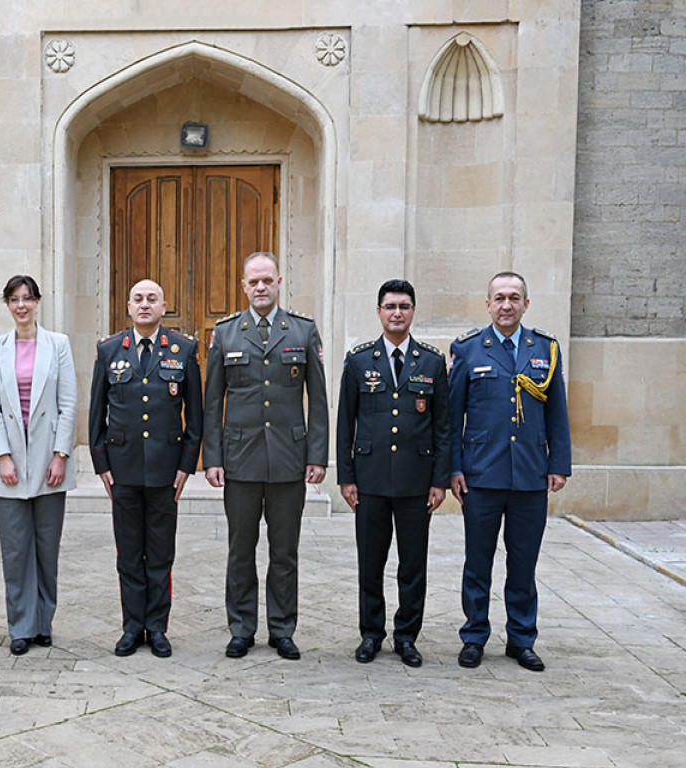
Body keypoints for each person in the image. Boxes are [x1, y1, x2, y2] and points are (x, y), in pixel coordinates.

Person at [203, 251, 328, 660]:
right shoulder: (226, 334)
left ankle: (282, 629)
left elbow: (318, 399)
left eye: (267, 280)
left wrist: (317, 455)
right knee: (240, 550)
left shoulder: (303, 331)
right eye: (253, 281)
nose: (260, 287)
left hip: (289, 459)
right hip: (240, 459)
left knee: (284, 551)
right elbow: (212, 402)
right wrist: (212, 458)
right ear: (243, 286)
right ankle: (241, 628)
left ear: (279, 283)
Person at [450, 271, 570, 672]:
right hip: (481, 475)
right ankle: (474, 636)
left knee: (523, 563)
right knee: (478, 562)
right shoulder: (468, 349)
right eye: (499, 298)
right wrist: (454, 468)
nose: (506, 305)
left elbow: (557, 412)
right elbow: (452, 417)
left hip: (530, 476)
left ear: (525, 304)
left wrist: (559, 464)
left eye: (514, 298)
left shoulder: (545, 349)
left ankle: (521, 639)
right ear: (488, 304)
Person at [335, 279, 450, 668]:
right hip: (369, 480)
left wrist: (439, 481)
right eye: (390, 306)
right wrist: (346, 477)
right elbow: (345, 423)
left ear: (413, 311)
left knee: (412, 564)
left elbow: (443, 426)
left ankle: (406, 636)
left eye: (404, 306)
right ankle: (371, 633)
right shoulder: (359, 360)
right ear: (379, 311)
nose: (397, 313)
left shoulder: (432, 362)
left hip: (417, 481)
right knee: (371, 562)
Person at [88, 279, 202, 658]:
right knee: (128, 555)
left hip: (165, 472)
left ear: (163, 307)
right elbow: (96, 414)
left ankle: (157, 627)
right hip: (122, 471)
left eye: (152, 299)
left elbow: (195, 418)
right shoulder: (108, 350)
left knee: (160, 554)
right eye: (137, 298)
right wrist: (101, 464)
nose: (144, 304)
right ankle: (132, 627)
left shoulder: (183, 349)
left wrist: (187, 466)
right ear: (128, 306)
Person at [0, 275, 77, 655]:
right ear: (7, 305)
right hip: (10, 463)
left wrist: (61, 454)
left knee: (46, 548)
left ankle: (43, 623)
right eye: (14, 299)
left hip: (49, 461)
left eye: (27, 298)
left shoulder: (58, 344)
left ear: (37, 302)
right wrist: (2, 456)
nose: (21, 306)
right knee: (15, 550)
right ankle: (21, 626)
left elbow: (68, 403)